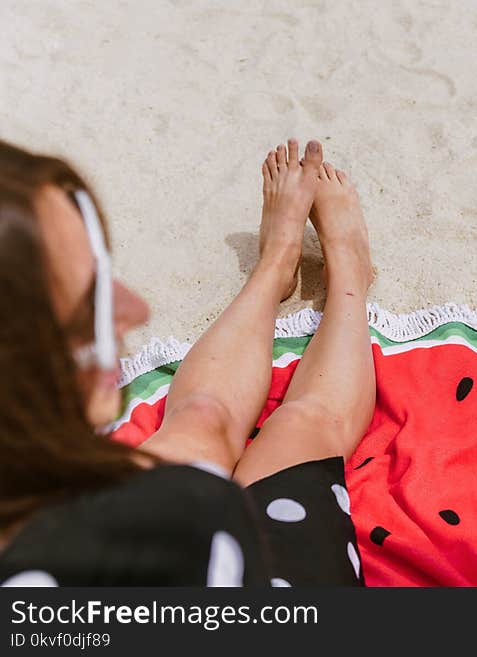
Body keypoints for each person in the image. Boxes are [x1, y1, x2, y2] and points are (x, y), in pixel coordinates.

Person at [0, 137, 377, 586]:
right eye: (89, 302)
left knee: (200, 417)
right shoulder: (190, 515)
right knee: (308, 426)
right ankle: (350, 272)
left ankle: (277, 264)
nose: (134, 310)